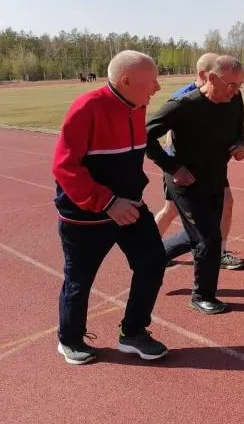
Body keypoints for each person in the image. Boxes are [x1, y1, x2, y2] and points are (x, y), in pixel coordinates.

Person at [52, 50, 168, 365]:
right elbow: (64, 167)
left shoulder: (138, 105)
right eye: (152, 80)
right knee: (80, 278)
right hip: (85, 215)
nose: (157, 87)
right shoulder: (87, 106)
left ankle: (133, 332)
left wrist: (128, 195)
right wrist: (107, 202)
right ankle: (70, 339)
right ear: (126, 81)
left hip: (131, 206)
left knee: (153, 261)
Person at [145, 55, 244, 315]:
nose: (235, 92)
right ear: (211, 78)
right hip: (185, 181)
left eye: (240, 86)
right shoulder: (182, 105)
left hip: (215, 175)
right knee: (209, 238)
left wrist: (240, 144)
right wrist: (172, 167)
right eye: (231, 85)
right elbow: (145, 135)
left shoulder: (235, 99)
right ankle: (202, 296)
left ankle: (154, 256)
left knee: (203, 234)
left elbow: (239, 128)